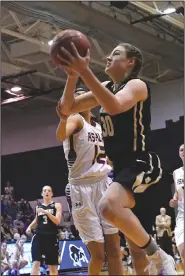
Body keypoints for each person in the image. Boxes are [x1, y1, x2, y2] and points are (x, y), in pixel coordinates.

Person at [56, 41, 177, 275]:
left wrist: (84, 71)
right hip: (121, 171)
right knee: (137, 253)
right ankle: (159, 258)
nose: (109, 58)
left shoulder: (137, 84)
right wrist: (72, 77)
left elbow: (114, 106)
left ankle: (160, 256)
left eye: (116, 54)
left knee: (107, 206)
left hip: (142, 163)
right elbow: (66, 108)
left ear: (130, 62)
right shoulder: (106, 86)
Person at [56, 89, 123, 275]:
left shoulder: (99, 125)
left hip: (103, 183)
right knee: (99, 256)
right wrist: (63, 119)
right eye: (78, 96)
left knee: (115, 249)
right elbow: (61, 136)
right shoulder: (75, 119)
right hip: (81, 188)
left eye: (85, 95)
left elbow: (107, 157)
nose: (83, 98)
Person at [26, 186, 62, 275]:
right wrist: (29, 227)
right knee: (35, 263)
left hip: (52, 237)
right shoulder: (38, 207)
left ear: (52, 194)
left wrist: (46, 212)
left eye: (49, 191)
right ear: (42, 194)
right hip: (39, 236)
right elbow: (36, 220)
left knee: (52, 267)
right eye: (45, 191)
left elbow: (57, 221)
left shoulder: (57, 205)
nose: (47, 192)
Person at [169, 144, 184, 263]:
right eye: (181, 150)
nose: (183, 151)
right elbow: (177, 192)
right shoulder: (176, 172)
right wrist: (173, 200)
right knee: (182, 250)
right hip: (182, 216)